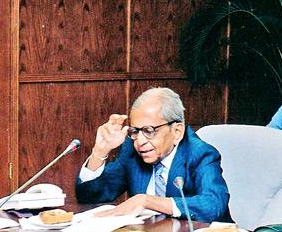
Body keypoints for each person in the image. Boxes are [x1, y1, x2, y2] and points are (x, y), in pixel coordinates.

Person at [75, 87, 230, 221]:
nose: (140, 141)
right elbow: (89, 197)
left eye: (149, 131)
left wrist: (147, 201)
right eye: (135, 131)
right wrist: (100, 151)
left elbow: (214, 204)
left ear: (177, 132)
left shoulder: (200, 153)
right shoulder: (131, 150)